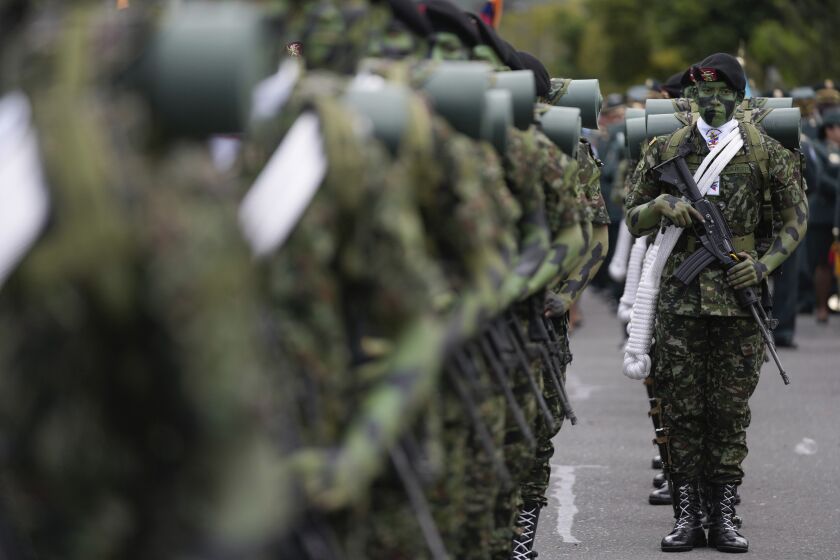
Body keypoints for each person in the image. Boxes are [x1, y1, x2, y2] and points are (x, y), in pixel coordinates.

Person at [625, 52, 807, 553]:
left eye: (722, 92)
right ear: (691, 97)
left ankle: (722, 513)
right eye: (701, 92)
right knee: (683, 411)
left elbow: (797, 219)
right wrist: (659, 206)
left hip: (737, 301)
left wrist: (765, 265)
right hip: (679, 301)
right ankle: (687, 515)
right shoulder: (664, 149)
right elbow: (630, 216)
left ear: (738, 96)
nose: (711, 100)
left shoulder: (765, 151)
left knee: (729, 413)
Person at [808, 110, 840, 323]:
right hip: (823, 214)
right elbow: (818, 178)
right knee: (823, 262)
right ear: (829, 129)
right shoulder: (817, 148)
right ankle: (821, 306)